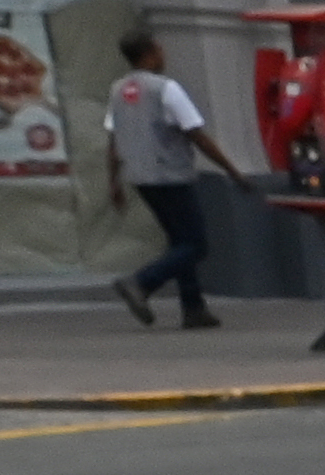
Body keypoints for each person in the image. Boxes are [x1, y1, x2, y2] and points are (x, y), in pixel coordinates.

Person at [102, 31, 253, 330]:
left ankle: (194, 308)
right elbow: (197, 134)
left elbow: (113, 140)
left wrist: (114, 182)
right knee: (196, 245)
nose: (164, 55)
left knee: (179, 241)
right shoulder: (166, 89)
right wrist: (233, 171)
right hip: (171, 175)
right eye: (160, 50)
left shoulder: (118, 90)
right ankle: (141, 283)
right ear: (152, 52)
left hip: (140, 177)